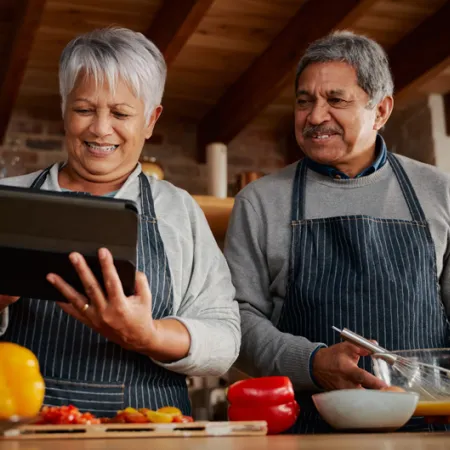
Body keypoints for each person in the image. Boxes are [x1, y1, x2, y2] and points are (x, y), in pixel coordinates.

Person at [0, 27, 240, 417]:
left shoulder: (179, 212)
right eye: (84, 109)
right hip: (22, 429)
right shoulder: (6, 200)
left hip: (150, 433)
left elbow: (225, 340)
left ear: (150, 119)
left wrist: (149, 335)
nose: (100, 128)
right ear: (64, 108)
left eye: (120, 113)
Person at [224, 30, 450, 433]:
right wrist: (311, 362)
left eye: (335, 100)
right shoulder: (259, 201)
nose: (314, 116)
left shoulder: (439, 192)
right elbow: (237, 319)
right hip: (304, 429)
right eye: (304, 101)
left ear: (380, 110)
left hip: (430, 429)